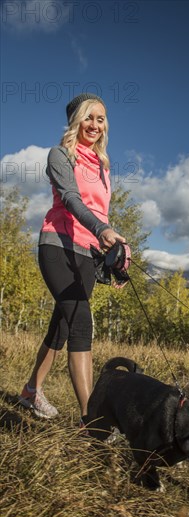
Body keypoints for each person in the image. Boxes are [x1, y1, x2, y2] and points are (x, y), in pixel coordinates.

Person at [18, 93, 126, 425]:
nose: (95, 125)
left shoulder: (103, 166)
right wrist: (102, 228)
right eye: (88, 117)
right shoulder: (61, 155)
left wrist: (117, 261)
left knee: (63, 324)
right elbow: (70, 198)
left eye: (101, 118)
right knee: (81, 323)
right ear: (75, 121)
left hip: (87, 253)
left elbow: (101, 211)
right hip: (57, 245)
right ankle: (91, 421)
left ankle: (30, 391)